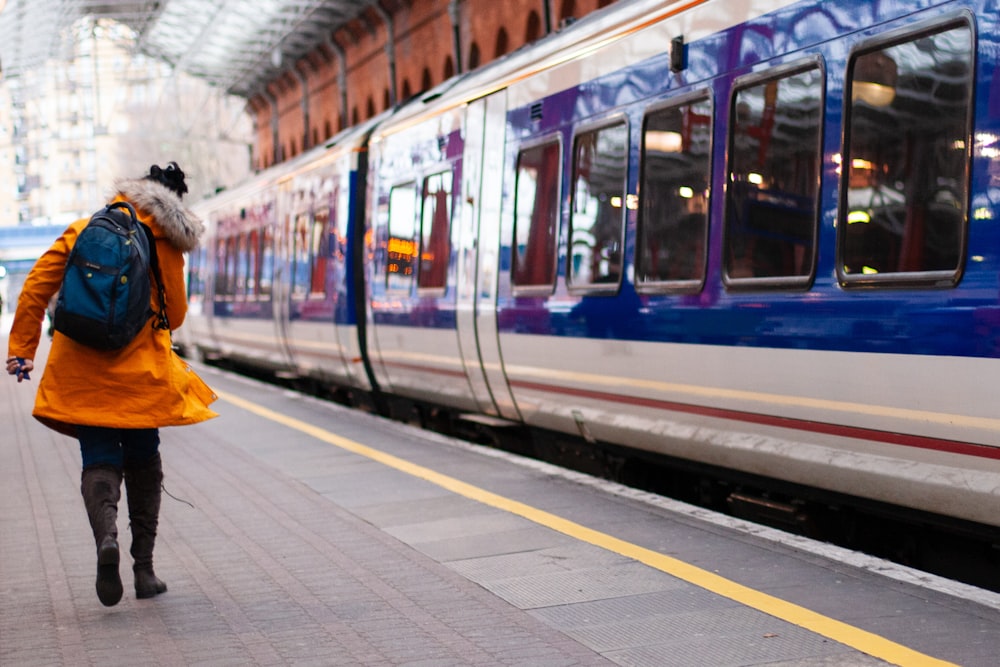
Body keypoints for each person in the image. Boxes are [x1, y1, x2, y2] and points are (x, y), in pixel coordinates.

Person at [5, 162, 218, 607]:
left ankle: (106, 538)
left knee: (98, 458)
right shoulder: (165, 243)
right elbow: (174, 315)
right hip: (141, 376)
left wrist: (22, 349)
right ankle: (144, 570)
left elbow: (34, 289)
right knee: (144, 460)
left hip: (82, 371)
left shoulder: (85, 229)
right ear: (171, 204)